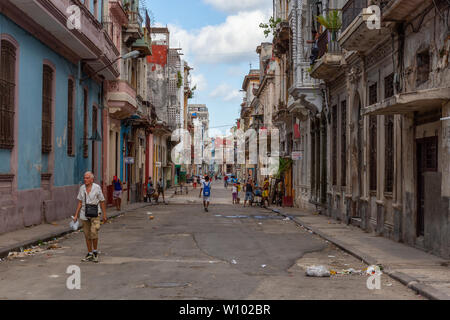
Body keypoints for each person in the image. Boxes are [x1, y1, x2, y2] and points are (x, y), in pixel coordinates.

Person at [73, 171, 107, 263]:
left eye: (87, 178)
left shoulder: (97, 188)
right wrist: (76, 214)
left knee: (94, 232)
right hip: (84, 213)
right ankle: (89, 253)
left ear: (92, 179)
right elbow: (80, 202)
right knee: (87, 234)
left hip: (95, 213)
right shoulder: (82, 188)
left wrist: (104, 214)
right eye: (84, 178)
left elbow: (102, 200)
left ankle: (95, 252)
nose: (85, 179)